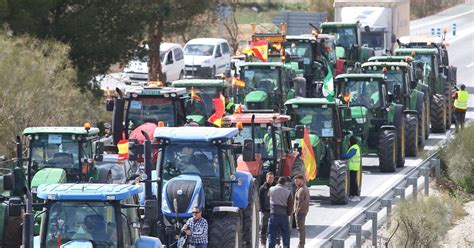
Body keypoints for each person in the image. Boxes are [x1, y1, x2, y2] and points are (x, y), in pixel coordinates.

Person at [268, 177, 293, 248]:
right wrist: (288, 214)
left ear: (277, 182)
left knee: (272, 234)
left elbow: (268, 197)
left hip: (273, 215)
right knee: (285, 235)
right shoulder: (288, 192)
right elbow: (290, 205)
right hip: (283, 216)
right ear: (284, 183)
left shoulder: (271, 189)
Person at [341, 136, 361, 202]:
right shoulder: (354, 147)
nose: (348, 142)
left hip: (353, 167)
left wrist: (341, 155)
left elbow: (349, 156)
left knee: (353, 182)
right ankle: (352, 195)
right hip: (352, 167)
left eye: (349, 141)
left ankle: (356, 195)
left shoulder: (354, 148)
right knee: (351, 182)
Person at [294, 174, 310, 248]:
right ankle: (301, 244)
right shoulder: (304, 188)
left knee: (300, 229)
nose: (296, 183)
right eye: (295, 181)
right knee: (301, 228)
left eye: (297, 181)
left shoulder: (301, 190)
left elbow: (300, 202)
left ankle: (301, 244)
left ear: (301, 180)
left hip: (300, 212)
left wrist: (297, 211)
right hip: (304, 211)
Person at [259, 172, 275, 246]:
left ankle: (274, 243)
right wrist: (262, 209)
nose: (271, 179)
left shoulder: (275, 187)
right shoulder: (262, 188)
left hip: (274, 211)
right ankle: (263, 243)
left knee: (274, 228)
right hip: (265, 211)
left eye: (272, 177)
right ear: (266, 178)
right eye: (269, 177)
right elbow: (260, 199)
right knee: (263, 227)